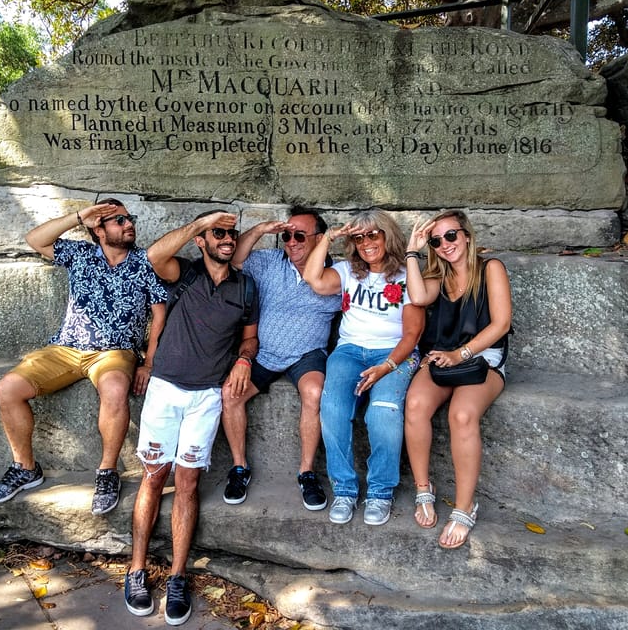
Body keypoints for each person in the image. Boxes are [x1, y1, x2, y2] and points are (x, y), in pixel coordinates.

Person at [0, 199, 167, 516]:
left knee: (113, 390)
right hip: (66, 349)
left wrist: (149, 362)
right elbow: (35, 239)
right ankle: (25, 468)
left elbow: (159, 312)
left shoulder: (143, 262)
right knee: (7, 389)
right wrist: (79, 216)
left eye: (129, 219)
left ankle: (107, 472)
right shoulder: (80, 255)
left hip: (114, 351)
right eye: (119, 221)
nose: (129, 225)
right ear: (99, 229)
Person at [124, 210, 258, 626]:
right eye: (218, 233)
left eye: (231, 234)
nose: (228, 239)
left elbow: (250, 337)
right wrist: (199, 225)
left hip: (207, 396)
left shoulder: (246, 286)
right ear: (201, 240)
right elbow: (152, 256)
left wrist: (243, 359)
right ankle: (137, 569)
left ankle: (179, 576)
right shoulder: (184, 273)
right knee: (153, 476)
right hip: (165, 389)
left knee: (188, 483)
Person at [302, 209, 424, 526]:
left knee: (382, 410)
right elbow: (313, 278)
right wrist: (328, 237)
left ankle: (380, 492)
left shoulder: (406, 274)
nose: (366, 243)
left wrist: (386, 366)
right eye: (359, 237)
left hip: (395, 351)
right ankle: (344, 489)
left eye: (373, 235)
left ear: (387, 235)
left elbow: (412, 334)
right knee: (332, 407)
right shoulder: (346, 271)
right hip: (351, 350)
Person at [404, 209, 512, 549]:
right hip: (444, 356)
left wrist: (461, 354)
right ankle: (424, 487)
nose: (445, 244)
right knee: (416, 404)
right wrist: (412, 252)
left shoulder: (490, 268)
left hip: (483, 357)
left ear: (465, 235)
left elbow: (501, 325)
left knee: (461, 415)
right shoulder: (437, 276)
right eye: (437, 241)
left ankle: (465, 507)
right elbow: (418, 297)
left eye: (451, 235)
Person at [221, 206, 341, 510]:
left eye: (300, 235)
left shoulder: (337, 275)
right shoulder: (270, 262)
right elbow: (235, 260)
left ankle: (307, 472)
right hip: (266, 353)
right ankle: (239, 468)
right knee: (230, 395)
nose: (291, 241)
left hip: (307, 354)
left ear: (319, 238)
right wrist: (260, 230)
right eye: (287, 235)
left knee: (315, 393)